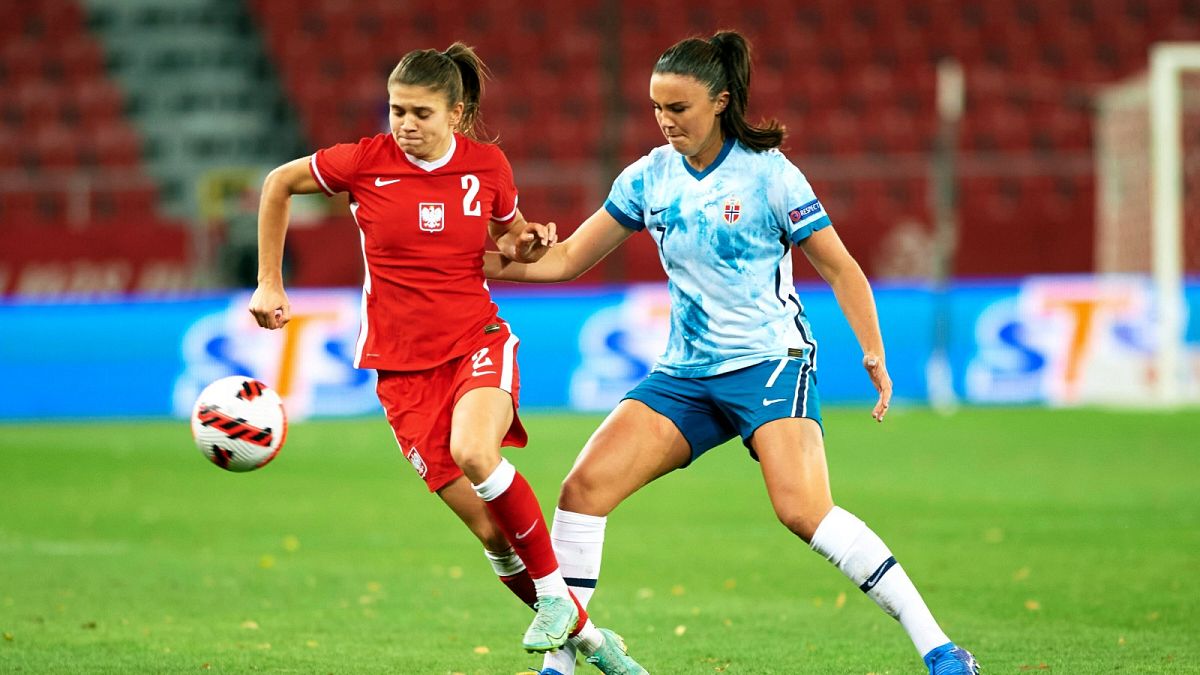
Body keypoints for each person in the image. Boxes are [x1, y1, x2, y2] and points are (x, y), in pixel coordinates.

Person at [485, 31, 980, 675]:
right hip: (684, 374)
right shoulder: (647, 177)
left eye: (679, 109)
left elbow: (841, 268)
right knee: (582, 491)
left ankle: (939, 647)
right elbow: (569, 260)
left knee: (802, 510)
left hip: (768, 361)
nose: (665, 122)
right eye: (657, 108)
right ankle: (562, 667)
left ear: (720, 102)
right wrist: (472, 264)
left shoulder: (770, 175)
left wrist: (873, 353)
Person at [247, 43, 644, 674]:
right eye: (396, 109)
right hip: (400, 373)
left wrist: (531, 238)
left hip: (475, 342)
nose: (405, 124)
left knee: (475, 452)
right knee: (492, 536)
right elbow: (277, 185)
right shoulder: (363, 162)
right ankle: (592, 642)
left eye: (420, 112)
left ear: (455, 114)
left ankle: (552, 599)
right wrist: (270, 281)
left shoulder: (487, 167)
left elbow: (510, 240)